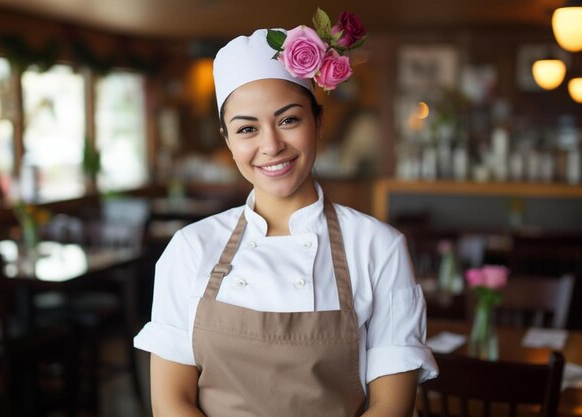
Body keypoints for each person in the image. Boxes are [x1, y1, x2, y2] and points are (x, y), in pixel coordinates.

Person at [135, 12, 438, 417]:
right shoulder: (190, 249)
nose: (271, 145)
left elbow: (391, 407)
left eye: (289, 120)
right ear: (228, 141)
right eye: (247, 129)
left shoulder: (378, 248)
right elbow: (172, 402)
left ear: (318, 122)